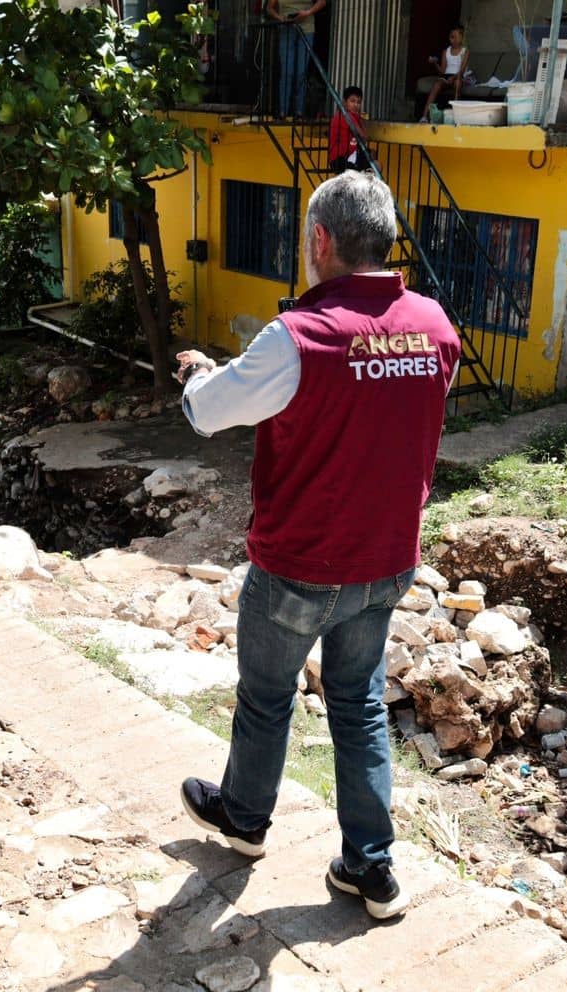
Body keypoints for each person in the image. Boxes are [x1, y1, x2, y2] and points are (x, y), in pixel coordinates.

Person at [173, 172, 460, 920]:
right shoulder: (435, 328)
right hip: (386, 562)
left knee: (266, 701)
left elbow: (208, 413)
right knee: (359, 704)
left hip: (299, 565)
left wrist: (202, 372)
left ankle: (244, 820)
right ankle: (371, 869)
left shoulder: (299, 335)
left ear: (321, 241)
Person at [268, 0, 328, 117]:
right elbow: (269, 8)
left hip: (307, 28)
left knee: (301, 71)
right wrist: (280, 18)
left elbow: (322, 2)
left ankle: (299, 111)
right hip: (286, 27)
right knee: (286, 72)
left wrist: (308, 12)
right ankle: (283, 111)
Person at [423, 25, 471, 116]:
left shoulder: (465, 52)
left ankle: (455, 114)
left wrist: (453, 77)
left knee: (457, 83)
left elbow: (462, 70)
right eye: (452, 37)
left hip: (458, 76)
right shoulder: (446, 51)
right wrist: (435, 63)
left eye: (457, 37)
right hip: (446, 77)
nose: (454, 40)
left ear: (462, 38)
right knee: (437, 84)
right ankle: (424, 116)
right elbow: (442, 72)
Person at [328, 86, 372, 173]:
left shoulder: (355, 117)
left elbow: (364, 137)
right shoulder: (345, 116)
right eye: (352, 101)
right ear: (345, 102)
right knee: (372, 167)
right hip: (340, 159)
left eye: (358, 102)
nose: (356, 105)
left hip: (350, 155)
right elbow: (363, 135)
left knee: (373, 159)